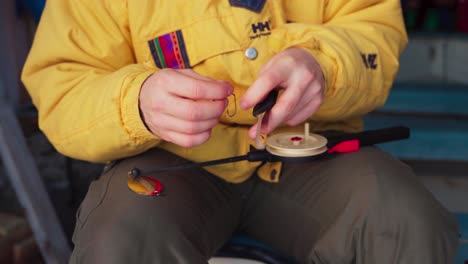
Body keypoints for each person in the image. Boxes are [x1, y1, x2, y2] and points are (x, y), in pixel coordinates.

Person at [22, 0, 459, 263]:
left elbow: (374, 30)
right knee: (121, 238)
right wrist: (136, 102)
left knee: (406, 220)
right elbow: (62, 83)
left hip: (307, 151)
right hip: (169, 161)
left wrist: (325, 67)